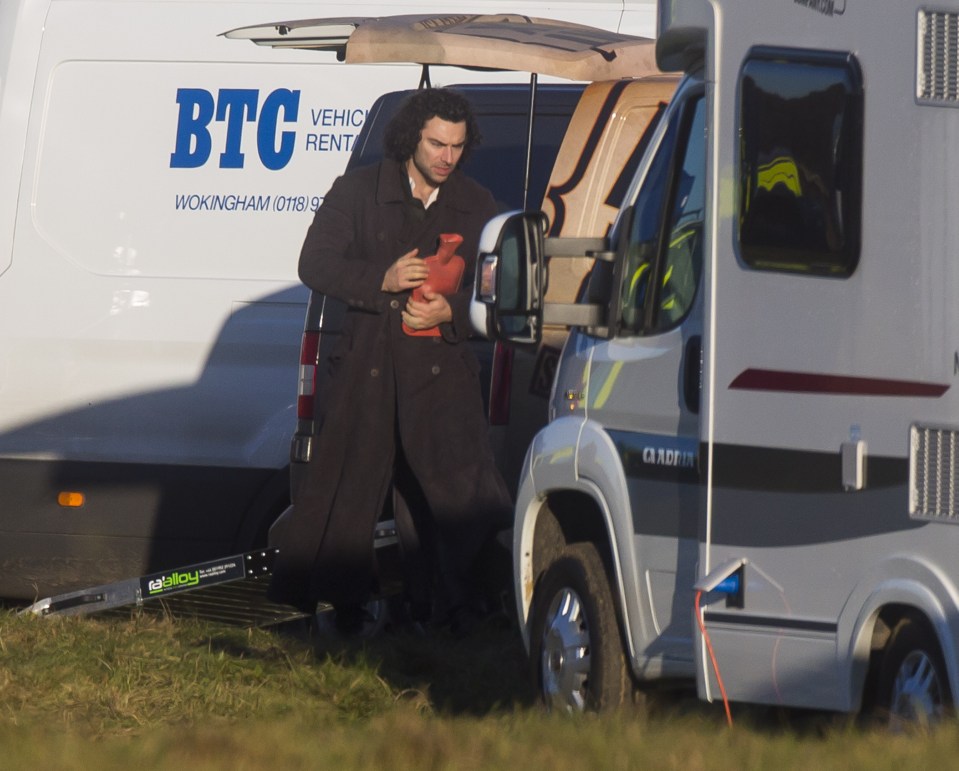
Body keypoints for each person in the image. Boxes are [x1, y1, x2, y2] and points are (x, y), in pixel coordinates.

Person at [268, 88, 513, 634]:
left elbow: (496, 288)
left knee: (459, 499)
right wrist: (381, 279)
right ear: (410, 139)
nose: (447, 156)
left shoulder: (476, 204)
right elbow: (315, 263)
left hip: (441, 376)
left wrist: (449, 309)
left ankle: (459, 615)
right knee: (347, 494)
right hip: (366, 370)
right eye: (436, 144)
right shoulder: (357, 192)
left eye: (457, 145)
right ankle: (340, 612)